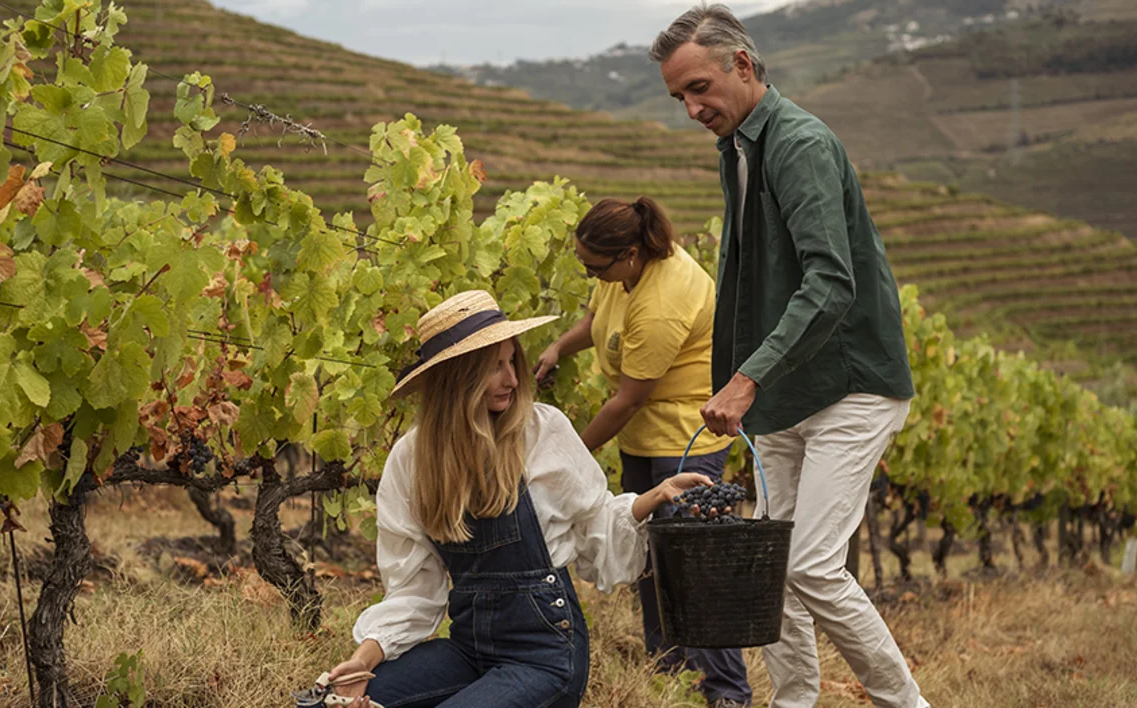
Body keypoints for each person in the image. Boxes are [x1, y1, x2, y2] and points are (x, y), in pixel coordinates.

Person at [648, 6, 929, 708]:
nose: (692, 108)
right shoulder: (739, 148)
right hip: (785, 394)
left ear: (742, 65)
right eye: (679, 96)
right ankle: (793, 702)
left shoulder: (796, 143)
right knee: (774, 571)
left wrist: (744, 380)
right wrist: (750, 383)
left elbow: (831, 284)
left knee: (810, 566)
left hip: (849, 385)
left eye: (700, 87)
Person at [323, 290, 714, 708]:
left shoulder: (543, 432)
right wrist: (363, 660)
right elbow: (413, 589)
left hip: (546, 657)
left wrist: (654, 496)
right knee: (329, 704)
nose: (512, 379)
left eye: (512, 362)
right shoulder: (412, 460)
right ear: (457, 376)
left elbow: (596, 525)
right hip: (468, 651)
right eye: (494, 368)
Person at [534, 196, 752, 708]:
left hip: (684, 441)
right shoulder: (625, 273)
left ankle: (727, 693)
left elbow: (628, 401)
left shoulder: (664, 298)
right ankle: (669, 673)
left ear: (629, 255)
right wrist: (560, 346)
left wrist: (565, 451)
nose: (588, 274)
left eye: (594, 266)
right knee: (646, 556)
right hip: (643, 440)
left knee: (691, 568)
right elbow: (598, 319)